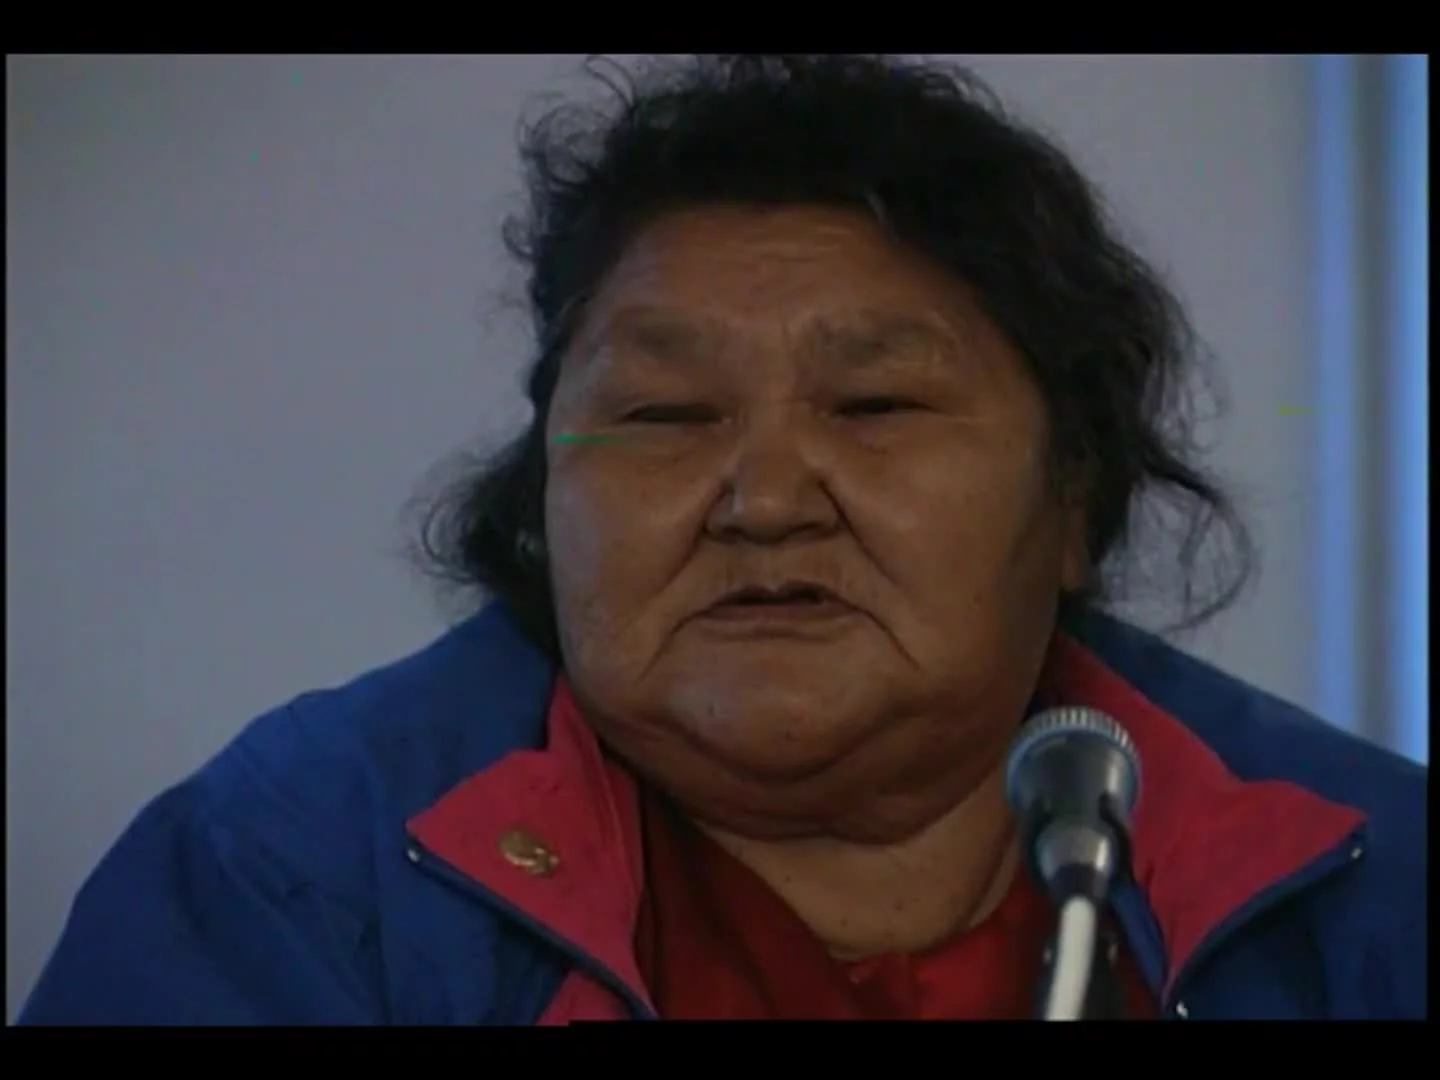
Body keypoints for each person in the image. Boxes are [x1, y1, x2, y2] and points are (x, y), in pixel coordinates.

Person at [18, 53, 1426, 1025]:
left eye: (874, 406)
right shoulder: (290, 875)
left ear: (1074, 497)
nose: (764, 499)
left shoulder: (1380, 889)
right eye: (664, 415)